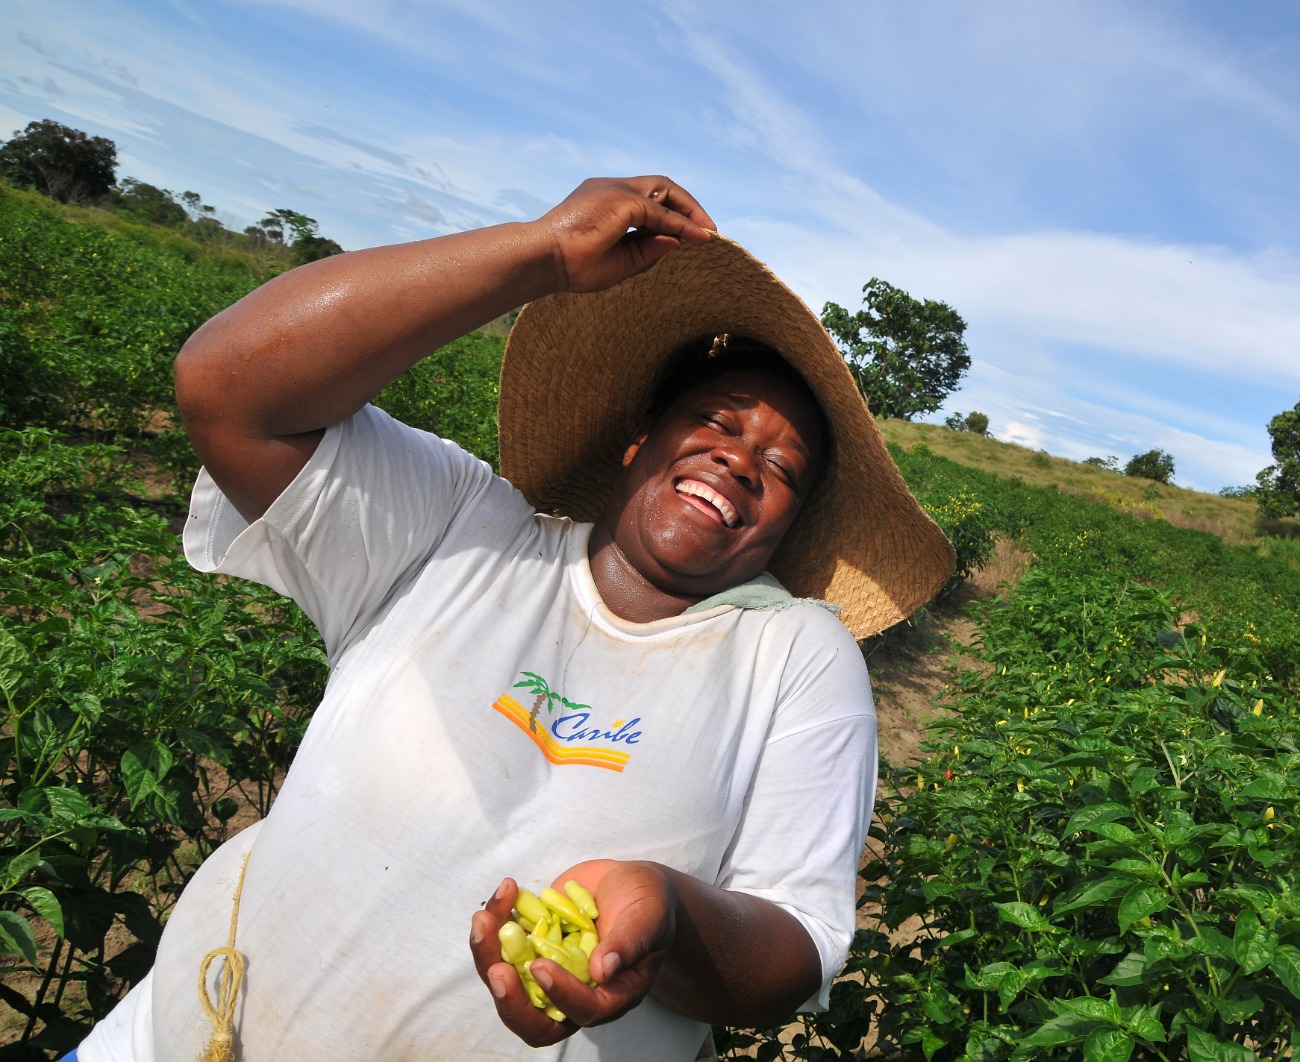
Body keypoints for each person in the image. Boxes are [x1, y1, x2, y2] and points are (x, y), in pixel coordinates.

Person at [73, 176, 952, 1061]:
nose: (739, 458)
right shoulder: (461, 528)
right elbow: (229, 387)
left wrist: (671, 913)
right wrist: (542, 252)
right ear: (636, 442)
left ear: (787, 527)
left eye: (784, 468)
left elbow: (795, 945)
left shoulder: (793, 654)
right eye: (713, 421)